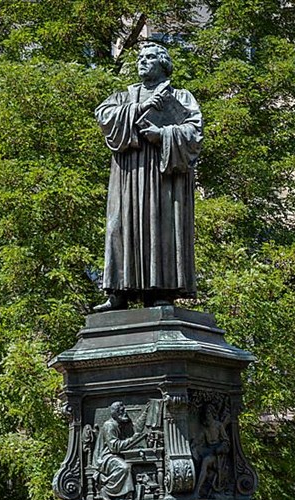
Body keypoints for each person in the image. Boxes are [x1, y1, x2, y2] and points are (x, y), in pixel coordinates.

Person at [94, 42, 203, 311]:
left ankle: (161, 290)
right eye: (140, 58)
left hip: (163, 176)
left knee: (161, 226)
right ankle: (119, 291)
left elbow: (194, 134)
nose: (143, 61)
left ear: (163, 63)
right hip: (128, 176)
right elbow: (104, 117)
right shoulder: (125, 96)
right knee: (119, 226)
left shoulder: (181, 97)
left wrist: (162, 135)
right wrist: (139, 108)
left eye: (150, 57)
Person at [92, 401, 145, 500]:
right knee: (124, 467)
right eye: (122, 411)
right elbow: (114, 447)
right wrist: (133, 439)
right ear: (115, 413)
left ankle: (126, 494)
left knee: (132, 465)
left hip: (114, 456)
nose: (125, 413)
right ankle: (106, 490)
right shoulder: (109, 425)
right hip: (105, 458)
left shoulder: (119, 425)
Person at [192, 404, 230, 499]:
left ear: (212, 414)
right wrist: (193, 444)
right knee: (197, 458)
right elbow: (199, 440)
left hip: (218, 456)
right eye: (205, 414)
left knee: (205, 461)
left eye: (208, 413)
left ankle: (197, 490)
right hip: (209, 451)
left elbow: (226, 441)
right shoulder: (205, 429)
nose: (207, 416)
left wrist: (220, 448)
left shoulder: (218, 426)